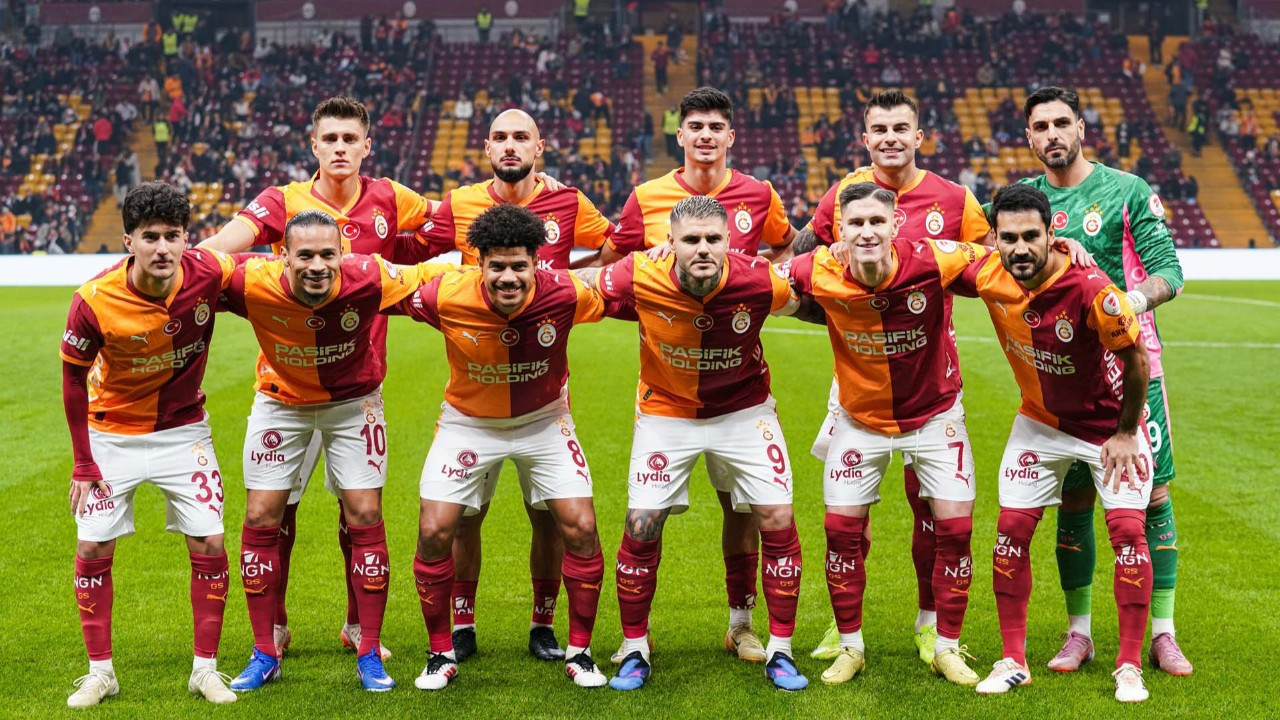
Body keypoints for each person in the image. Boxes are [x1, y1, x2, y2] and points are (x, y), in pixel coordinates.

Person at [200, 96, 442, 662]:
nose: (339, 148)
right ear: (313, 145)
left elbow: (451, 221)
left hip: (357, 388)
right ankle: (276, 627)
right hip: (285, 387)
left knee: (358, 512)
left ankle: (358, 627)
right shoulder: (281, 201)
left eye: (349, 139)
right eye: (329, 139)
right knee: (275, 511)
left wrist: (527, 196)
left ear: (366, 147)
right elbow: (217, 251)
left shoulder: (391, 197)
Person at [407, 109, 614, 663]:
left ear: (538, 147)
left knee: (551, 518)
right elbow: (409, 260)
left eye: (521, 136)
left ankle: (543, 625)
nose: (510, 145)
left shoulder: (569, 202)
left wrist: (571, 279)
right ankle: (462, 624)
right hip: (472, 394)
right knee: (462, 519)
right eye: (500, 136)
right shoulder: (460, 204)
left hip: (543, 398)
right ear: (486, 146)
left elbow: (617, 250)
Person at [577, 195, 809, 691]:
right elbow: (581, 284)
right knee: (642, 523)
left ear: (729, 241)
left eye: (712, 239)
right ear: (671, 242)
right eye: (691, 240)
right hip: (667, 411)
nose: (702, 248)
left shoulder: (760, 279)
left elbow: (805, 297)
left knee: (776, 518)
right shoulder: (639, 272)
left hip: (745, 410)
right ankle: (635, 646)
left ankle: (777, 648)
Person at [603, 87, 798, 666]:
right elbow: (611, 271)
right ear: (680, 135)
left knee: (743, 510)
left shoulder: (759, 194)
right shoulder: (645, 198)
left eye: (717, 126)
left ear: (730, 136)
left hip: (740, 392)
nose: (706, 135)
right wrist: (649, 296)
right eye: (696, 126)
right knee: (645, 519)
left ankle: (742, 625)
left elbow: (789, 252)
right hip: (667, 393)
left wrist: (754, 282)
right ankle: (635, 641)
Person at [219, 211, 453, 692]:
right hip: (280, 403)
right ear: (282, 257)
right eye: (304, 255)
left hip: (353, 403)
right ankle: (265, 651)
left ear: (343, 254)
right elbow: (188, 270)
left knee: (365, 513)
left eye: (328, 254)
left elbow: (438, 274)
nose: (317, 266)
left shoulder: (371, 275)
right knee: (261, 515)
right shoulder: (249, 279)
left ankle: (368, 650)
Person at [800, 90, 990, 665]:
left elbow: (991, 263)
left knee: (929, 507)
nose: (890, 138)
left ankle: (930, 623)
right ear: (865, 139)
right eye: (879, 129)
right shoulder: (841, 195)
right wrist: (845, 313)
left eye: (900, 128)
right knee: (850, 515)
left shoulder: (955, 198)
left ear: (918, 136)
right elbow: (802, 259)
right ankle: (843, 628)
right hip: (857, 380)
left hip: (928, 373)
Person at [1015, 86, 1189, 677]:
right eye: (1041, 126)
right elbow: (980, 246)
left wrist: (1127, 302)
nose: (1053, 134)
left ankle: (1163, 634)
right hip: (1064, 376)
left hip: (1135, 369)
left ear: (1081, 128)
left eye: (1062, 123)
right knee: (1075, 501)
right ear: (1029, 136)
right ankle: (1080, 632)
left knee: (1153, 496)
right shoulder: (1025, 201)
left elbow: (1170, 271)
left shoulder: (1128, 190)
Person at [959, 184, 1154, 703]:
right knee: (1010, 531)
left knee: (1128, 533)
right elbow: (926, 256)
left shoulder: (1093, 290)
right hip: (1040, 422)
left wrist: (1125, 432)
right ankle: (1013, 660)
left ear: (1052, 234)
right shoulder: (987, 271)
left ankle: (1129, 666)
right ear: (994, 239)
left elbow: (1139, 362)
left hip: (1108, 427)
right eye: (1008, 238)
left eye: (1031, 236)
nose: (1020, 248)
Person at [60, 182, 240, 707]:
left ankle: (205, 670)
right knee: (92, 547)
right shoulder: (94, 300)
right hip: (110, 434)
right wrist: (83, 462)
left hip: (184, 432)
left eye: (172, 236)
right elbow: (72, 381)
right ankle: (101, 673)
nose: (162, 248)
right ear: (129, 241)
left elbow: (267, 274)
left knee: (210, 542)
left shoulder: (209, 272)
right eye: (150, 237)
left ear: (186, 238)